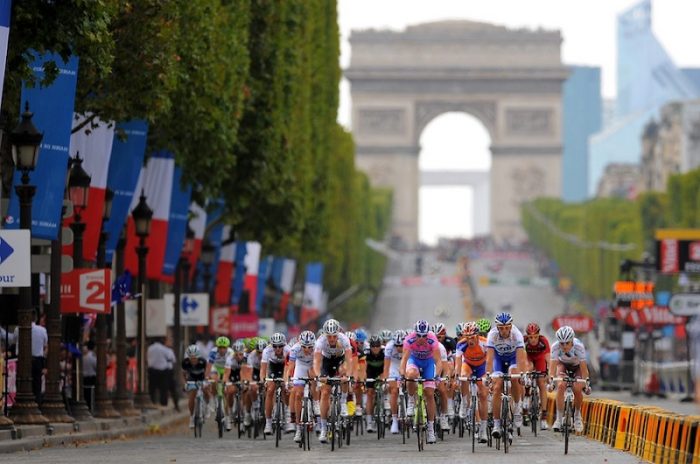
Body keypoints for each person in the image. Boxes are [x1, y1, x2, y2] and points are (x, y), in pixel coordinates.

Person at [485, 312, 527, 440]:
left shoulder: (517, 335)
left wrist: (523, 374)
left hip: (513, 359)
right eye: (501, 328)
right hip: (499, 361)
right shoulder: (492, 335)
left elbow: (521, 359)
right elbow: (490, 359)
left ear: (511, 326)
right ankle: (497, 424)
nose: (504, 331)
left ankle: (517, 407)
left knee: (515, 377)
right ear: (497, 327)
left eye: (507, 327)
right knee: (497, 388)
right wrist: (488, 376)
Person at [401, 319, 442, 444]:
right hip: (414, 361)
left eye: (424, 336)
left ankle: (430, 429)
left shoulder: (432, 339)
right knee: (411, 374)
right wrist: (403, 374)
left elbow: (438, 361)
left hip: (428, 363)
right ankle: (412, 401)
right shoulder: (409, 340)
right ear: (415, 333)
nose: (421, 338)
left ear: (427, 334)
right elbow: (404, 360)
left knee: (429, 393)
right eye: (419, 335)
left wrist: (437, 375)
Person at [313, 318, 353, 444]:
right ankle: (324, 428)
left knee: (344, 373)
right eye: (329, 336)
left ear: (338, 334)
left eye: (334, 336)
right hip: (326, 362)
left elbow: (349, 360)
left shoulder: (344, 339)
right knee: (325, 392)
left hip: (340, 360)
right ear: (325, 335)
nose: (331, 339)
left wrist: (348, 375)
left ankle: (343, 401)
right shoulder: (320, 342)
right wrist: (319, 376)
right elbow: (317, 362)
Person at [547, 325, 591, 433]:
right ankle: (558, 418)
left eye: (567, 343)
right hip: (563, 365)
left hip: (577, 367)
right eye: (562, 343)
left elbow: (584, 368)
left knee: (577, 388)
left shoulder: (579, 346)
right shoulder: (555, 347)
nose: (564, 346)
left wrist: (586, 384)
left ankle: (577, 416)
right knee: (561, 385)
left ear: (572, 340)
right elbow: (552, 367)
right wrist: (551, 382)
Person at [454, 322, 489, 443]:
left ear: (477, 335)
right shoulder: (461, 344)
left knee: (483, 395)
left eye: (472, 337)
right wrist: (456, 377)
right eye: (467, 337)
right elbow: (458, 364)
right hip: (468, 365)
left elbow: (491, 362)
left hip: (482, 368)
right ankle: (464, 402)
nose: (470, 340)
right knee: (463, 376)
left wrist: (490, 377)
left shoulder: (485, 342)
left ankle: (483, 430)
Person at [285, 330, 318, 443]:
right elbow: (291, 367)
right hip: (301, 366)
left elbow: (319, 365)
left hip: (313, 365)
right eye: (304, 347)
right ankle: (298, 428)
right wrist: (289, 379)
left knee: (314, 380)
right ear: (300, 344)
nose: (307, 350)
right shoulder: (295, 348)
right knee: (298, 393)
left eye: (310, 347)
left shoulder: (318, 348)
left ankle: (315, 403)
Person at [260, 332, 292, 435]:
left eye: (280, 346)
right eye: (275, 346)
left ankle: (288, 417)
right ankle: (268, 423)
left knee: (285, 388)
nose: (278, 348)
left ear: (284, 345)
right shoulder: (267, 351)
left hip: (285, 367)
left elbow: (290, 368)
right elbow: (263, 368)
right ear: (271, 345)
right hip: (273, 367)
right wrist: (263, 380)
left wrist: (287, 381)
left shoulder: (288, 350)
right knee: (269, 390)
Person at [523, 322, 551, 430]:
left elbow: (548, 358)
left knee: (541, 383)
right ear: (527, 336)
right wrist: (524, 372)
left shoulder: (544, 341)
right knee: (528, 368)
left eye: (535, 337)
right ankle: (526, 395)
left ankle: (543, 417)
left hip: (540, 359)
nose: (533, 339)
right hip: (528, 358)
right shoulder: (523, 341)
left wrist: (549, 374)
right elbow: (521, 357)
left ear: (539, 335)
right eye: (530, 337)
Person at [206, 336, 235, 430]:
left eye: (224, 348)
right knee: (213, 379)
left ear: (227, 348)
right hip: (216, 368)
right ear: (217, 347)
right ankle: (214, 399)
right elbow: (209, 366)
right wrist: (207, 377)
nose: (222, 350)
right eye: (220, 347)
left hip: (227, 369)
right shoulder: (213, 352)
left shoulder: (231, 352)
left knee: (226, 393)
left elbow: (231, 367)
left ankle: (227, 418)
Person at [382, 329, 406, 434]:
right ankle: (395, 420)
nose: (399, 348)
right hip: (394, 366)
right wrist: (386, 380)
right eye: (397, 346)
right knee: (394, 391)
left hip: (406, 365)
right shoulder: (389, 347)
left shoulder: (410, 346)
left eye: (401, 345)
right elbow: (386, 367)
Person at [363, 335, 385, 432]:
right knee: (370, 394)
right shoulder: (366, 352)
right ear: (370, 347)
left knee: (386, 387)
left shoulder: (385, 351)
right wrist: (364, 376)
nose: (375, 348)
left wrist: (384, 375)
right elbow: (363, 365)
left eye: (377, 346)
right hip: (370, 371)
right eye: (373, 346)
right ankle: (369, 422)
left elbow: (389, 365)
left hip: (381, 370)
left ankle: (384, 406)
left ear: (380, 346)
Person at [182, 344, 208, 428]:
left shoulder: (203, 361)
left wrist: (206, 381)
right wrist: (185, 383)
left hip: (202, 377)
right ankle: (192, 417)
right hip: (192, 378)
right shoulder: (185, 362)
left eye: (195, 358)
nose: (193, 360)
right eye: (191, 358)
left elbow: (207, 372)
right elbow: (183, 374)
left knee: (206, 390)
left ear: (198, 356)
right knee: (192, 395)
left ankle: (207, 406)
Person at [147, 337, 171, 406]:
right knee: (163, 388)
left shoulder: (150, 348)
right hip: (162, 370)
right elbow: (169, 358)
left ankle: (152, 401)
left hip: (152, 370)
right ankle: (163, 403)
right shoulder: (164, 349)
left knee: (152, 387)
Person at [82, 341, 97, 410]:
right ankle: (91, 407)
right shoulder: (93, 356)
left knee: (86, 394)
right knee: (91, 394)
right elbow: (96, 366)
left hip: (84, 377)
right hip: (91, 377)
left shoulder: (83, 356)